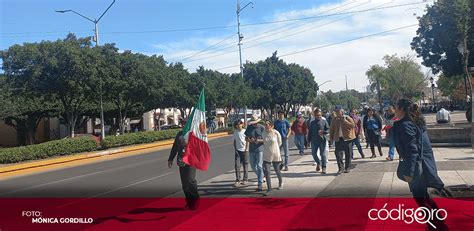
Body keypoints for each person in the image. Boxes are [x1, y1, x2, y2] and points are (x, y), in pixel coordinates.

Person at [393, 98, 449, 230]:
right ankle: (439, 224)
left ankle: (435, 226)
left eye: (396, 107)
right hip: (423, 165)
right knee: (424, 197)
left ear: (402, 109)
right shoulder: (415, 122)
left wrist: (410, 173)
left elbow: (413, 151)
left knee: (421, 199)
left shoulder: (405, 125)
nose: (394, 110)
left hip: (417, 168)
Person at [168, 119, 199, 210]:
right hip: (181, 160)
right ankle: (189, 202)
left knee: (190, 180)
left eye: (185, 124)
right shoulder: (179, 134)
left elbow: (198, 146)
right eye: (182, 124)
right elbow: (175, 147)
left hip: (191, 160)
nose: (183, 125)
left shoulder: (193, 134)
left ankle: (195, 200)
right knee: (184, 183)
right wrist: (170, 159)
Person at [329, 106, 356, 174]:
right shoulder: (334, 119)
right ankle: (341, 168)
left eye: (338, 111)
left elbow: (352, 125)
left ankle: (347, 168)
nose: (337, 113)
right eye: (336, 111)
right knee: (338, 154)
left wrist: (344, 121)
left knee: (348, 154)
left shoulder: (347, 117)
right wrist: (331, 139)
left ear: (342, 112)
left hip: (347, 139)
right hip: (339, 139)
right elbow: (332, 129)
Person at [262, 120, 283, 196]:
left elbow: (280, 143)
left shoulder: (276, 133)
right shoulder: (263, 133)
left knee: (277, 170)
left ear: (271, 126)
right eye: (265, 124)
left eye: (268, 124)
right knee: (267, 172)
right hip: (266, 155)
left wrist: (275, 149)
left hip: (275, 154)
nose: (266, 126)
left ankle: (280, 182)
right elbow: (264, 142)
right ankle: (269, 189)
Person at [244, 114, 265, 191]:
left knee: (259, 166)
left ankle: (260, 184)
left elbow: (265, 139)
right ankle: (262, 176)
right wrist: (249, 140)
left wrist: (258, 141)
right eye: (253, 122)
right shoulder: (249, 128)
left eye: (255, 122)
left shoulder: (262, 128)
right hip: (252, 149)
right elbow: (246, 137)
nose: (254, 123)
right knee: (253, 166)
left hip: (260, 149)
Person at [308, 108, 330, 174]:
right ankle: (318, 163)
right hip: (314, 141)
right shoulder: (312, 123)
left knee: (323, 154)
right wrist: (308, 141)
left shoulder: (324, 121)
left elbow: (328, 130)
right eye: (317, 115)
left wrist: (323, 132)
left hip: (322, 140)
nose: (319, 116)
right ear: (314, 115)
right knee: (314, 154)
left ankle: (324, 167)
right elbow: (310, 132)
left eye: (320, 115)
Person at [233, 119, 248, 187]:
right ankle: (238, 180)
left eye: (239, 124)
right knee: (237, 165)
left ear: (242, 124)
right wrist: (235, 149)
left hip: (244, 150)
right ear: (235, 126)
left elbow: (247, 140)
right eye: (237, 125)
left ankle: (245, 179)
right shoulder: (235, 132)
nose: (238, 126)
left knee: (245, 165)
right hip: (238, 151)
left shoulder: (245, 131)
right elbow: (235, 141)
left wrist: (246, 148)